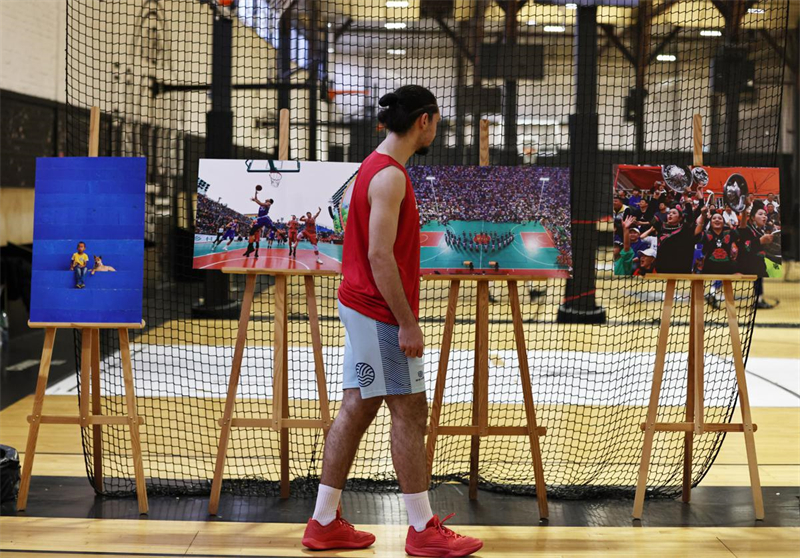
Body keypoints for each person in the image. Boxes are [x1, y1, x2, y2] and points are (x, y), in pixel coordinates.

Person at [302, 85, 482, 557]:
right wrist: (407, 323)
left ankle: (323, 521)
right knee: (409, 411)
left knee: (358, 408)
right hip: (379, 312)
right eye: (437, 121)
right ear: (423, 121)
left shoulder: (372, 167)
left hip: (360, 303)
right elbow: (380, 256)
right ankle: (422, 529)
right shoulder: (389, 177)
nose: (437, 128)